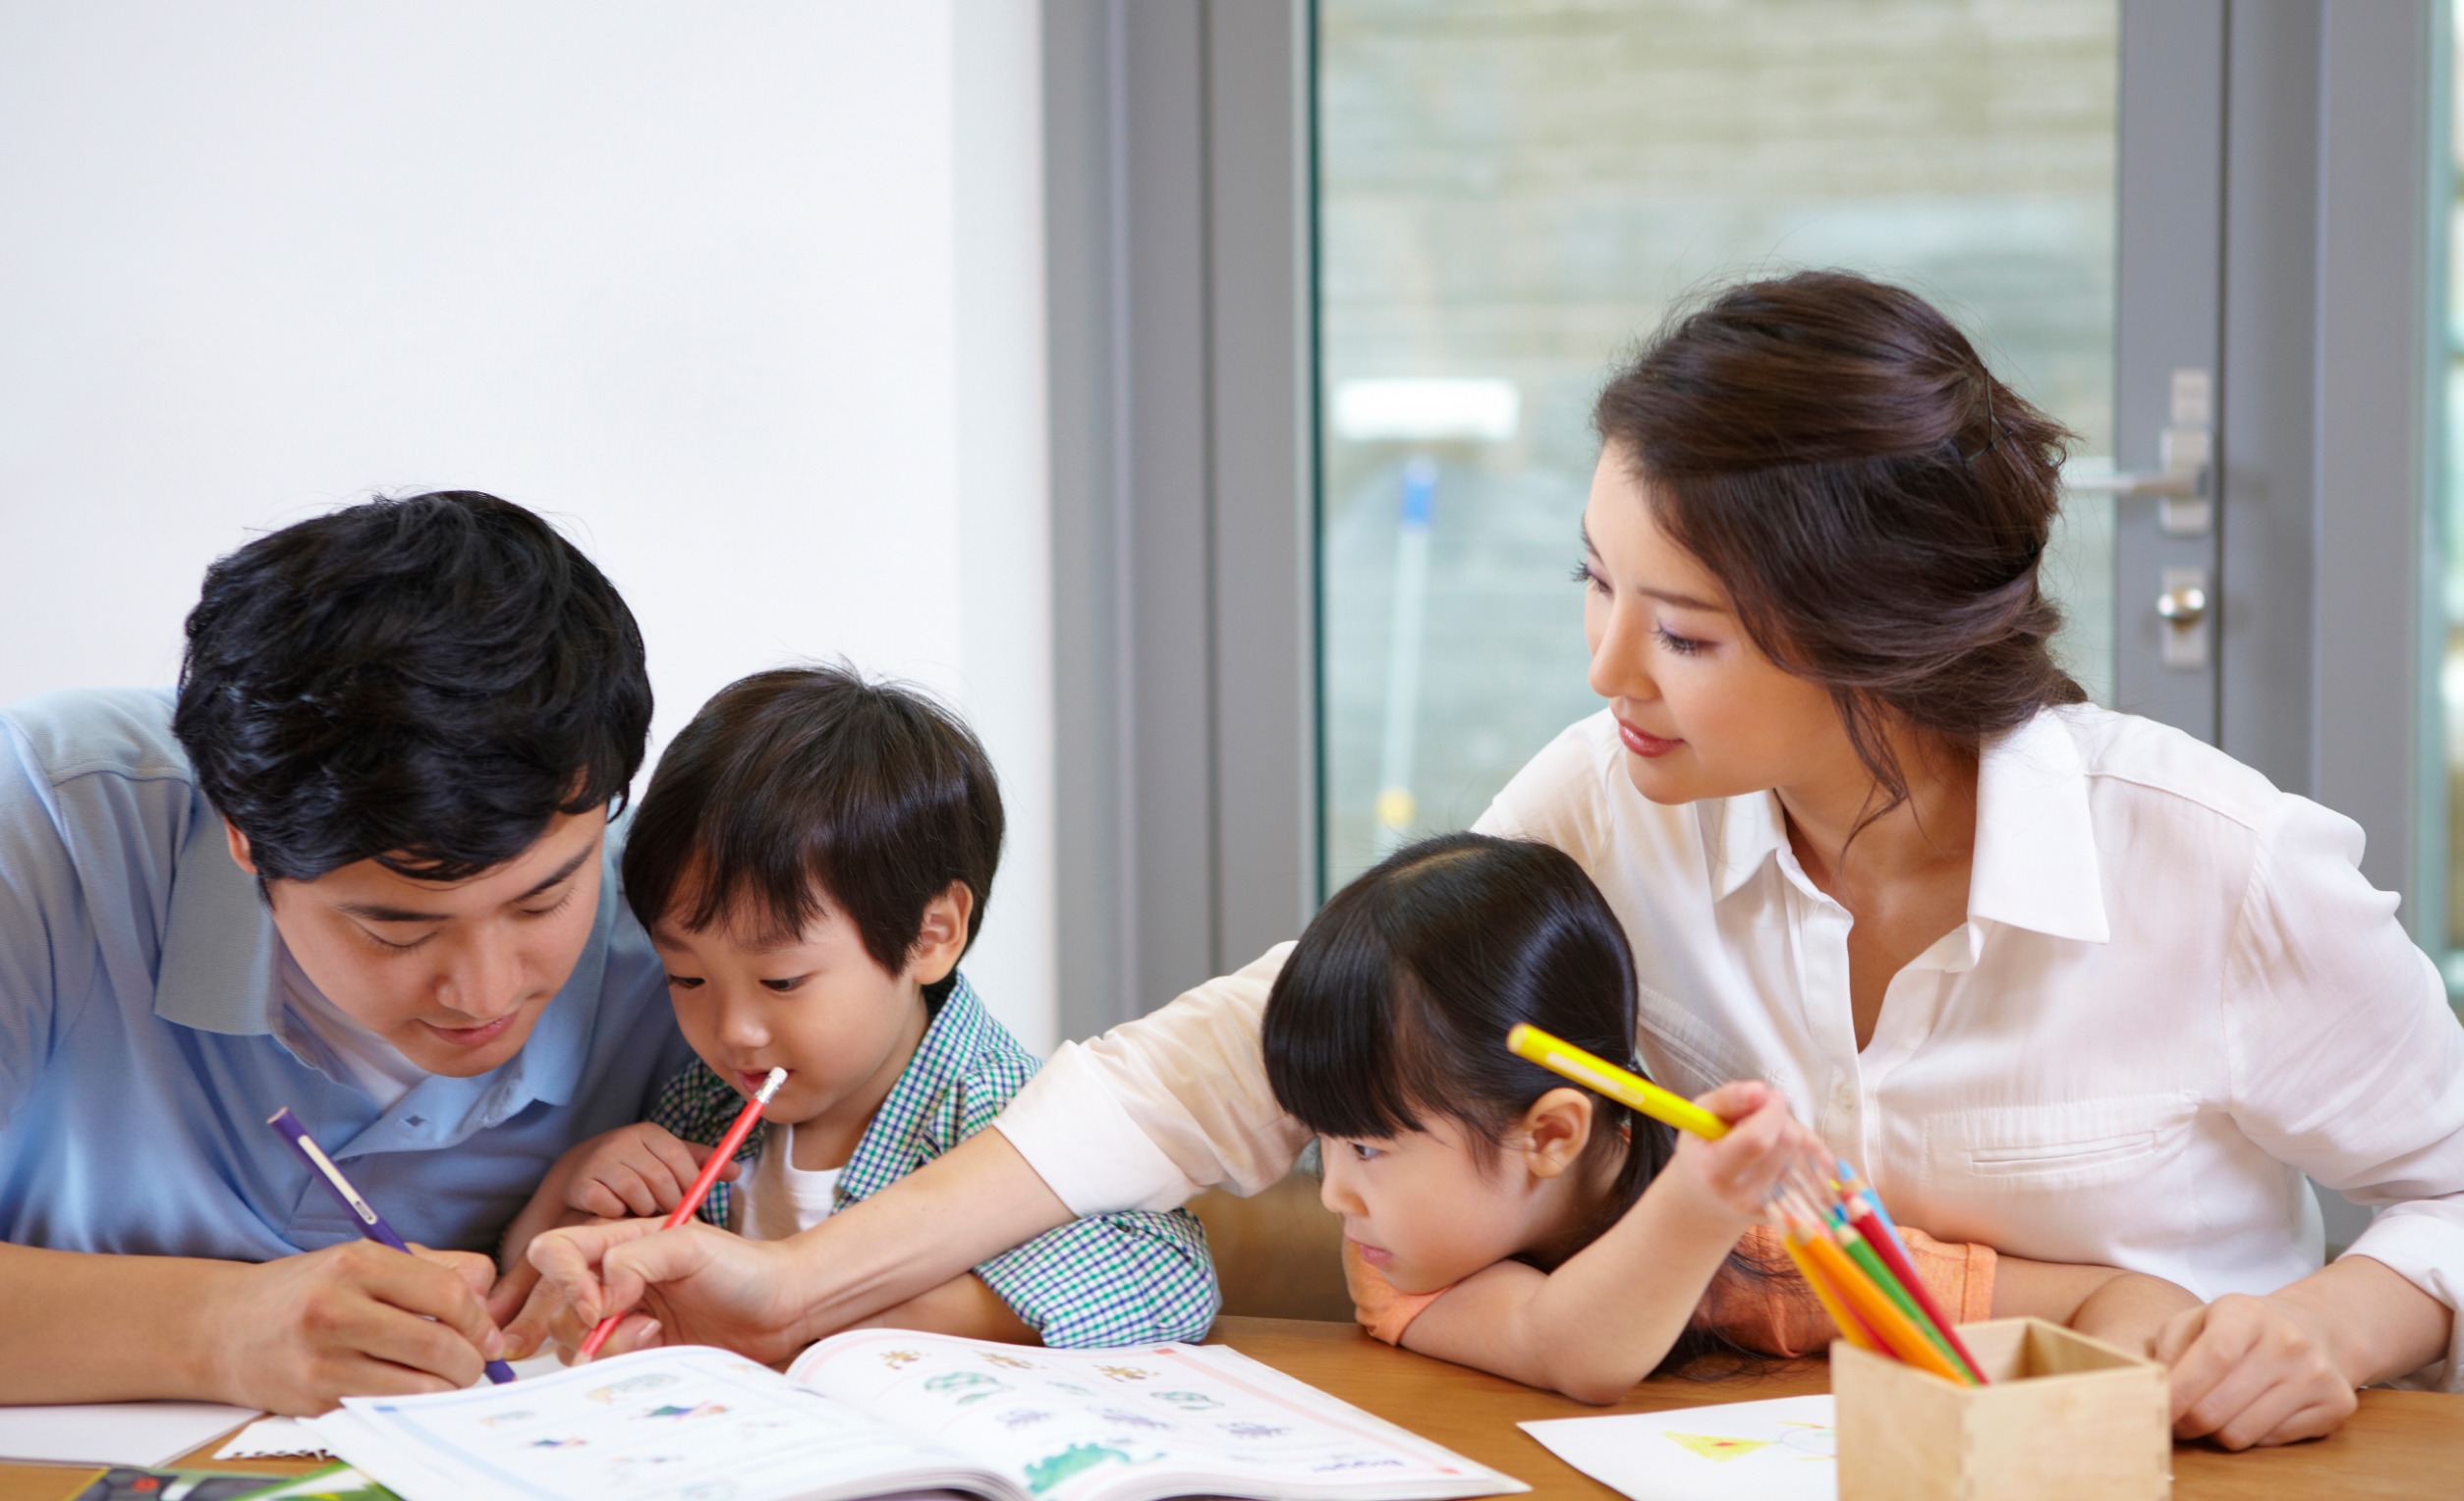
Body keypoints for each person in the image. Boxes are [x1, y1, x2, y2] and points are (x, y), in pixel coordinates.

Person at [531, 272, 2464, 1451]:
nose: (1607, 665)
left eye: (1680, 627)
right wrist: (793, 1287)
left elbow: (2451, 1186)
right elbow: (1228, 1060)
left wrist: (2339, 1323)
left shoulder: (2216, 870)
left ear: (1874, 637)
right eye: (1597, 586)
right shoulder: (1614, 794)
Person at [0, 491, 693, 1414]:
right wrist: (215, 1329)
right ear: (243, 839)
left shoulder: (685, 920)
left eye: (546, 898)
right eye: (396, 928)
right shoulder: (50, 821)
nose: (484, 991)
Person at [1264, 830, 2197, 1402]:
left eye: (1366, 1147)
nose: (1336, 1195)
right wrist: (1700, 1205)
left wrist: (2100, 1392)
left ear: (1551, 1133)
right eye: (1326, 1144)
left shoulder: (1770, 1255)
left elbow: (2125, 1300)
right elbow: (1568, 1348)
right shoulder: (1396, 1259)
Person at [500, 666, 1215, 1351]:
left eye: (781, 982)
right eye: (687, 978)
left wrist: (849, 1315)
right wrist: (574, 1186)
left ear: (931, 935)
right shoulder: (704, 1107)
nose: (732, 1031)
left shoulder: (993, 1107)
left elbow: (1170, 1273)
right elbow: (541, 1294)